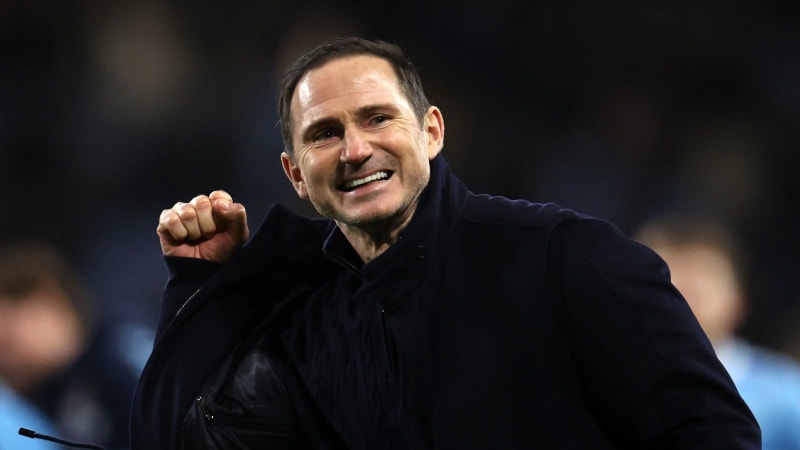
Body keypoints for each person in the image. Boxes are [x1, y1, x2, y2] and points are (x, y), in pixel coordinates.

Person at [130, 37, 760, 449]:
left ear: (430, 132)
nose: (355, 150)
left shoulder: (565, 255)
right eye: (324, 134)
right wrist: (202, 289)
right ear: (296, 174)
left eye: (378, 118)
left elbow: (714, 433)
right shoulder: (295, 309)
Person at [635, 214, 800, 450]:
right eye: (669, 274)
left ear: (738, 300)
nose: (687, 291)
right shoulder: (600, 381)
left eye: (704, 276)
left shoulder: (786, 394)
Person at [0, 240, 143, 450]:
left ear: (54, 310)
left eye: (10, 342)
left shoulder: (119, 358)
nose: (6, 361)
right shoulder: (46, 391)